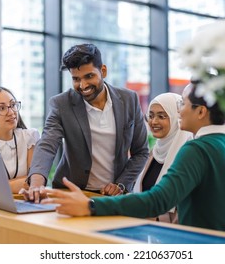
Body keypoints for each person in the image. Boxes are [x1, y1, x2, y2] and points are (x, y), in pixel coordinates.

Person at [34, 81, 225, 232]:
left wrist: (91, 206)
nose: (179, 110)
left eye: (184, 104)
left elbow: (158, 200)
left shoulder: (196, 149)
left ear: (201, 112)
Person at [24, 43, 149, 198]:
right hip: (72, 192)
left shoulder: (129, 100)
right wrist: (36, 184)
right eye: (76, 79)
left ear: (103, 71)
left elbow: (141, 152)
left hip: (113, 197)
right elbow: (47, 145)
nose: (83, 85)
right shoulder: (62, 104)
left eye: (89, 76)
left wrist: (120, 184)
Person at [133, 92, 193, 223]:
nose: (153, 122)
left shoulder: (187, 155)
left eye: (161, 116)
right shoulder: (154, 153)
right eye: (150, 115)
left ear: (176, 118)